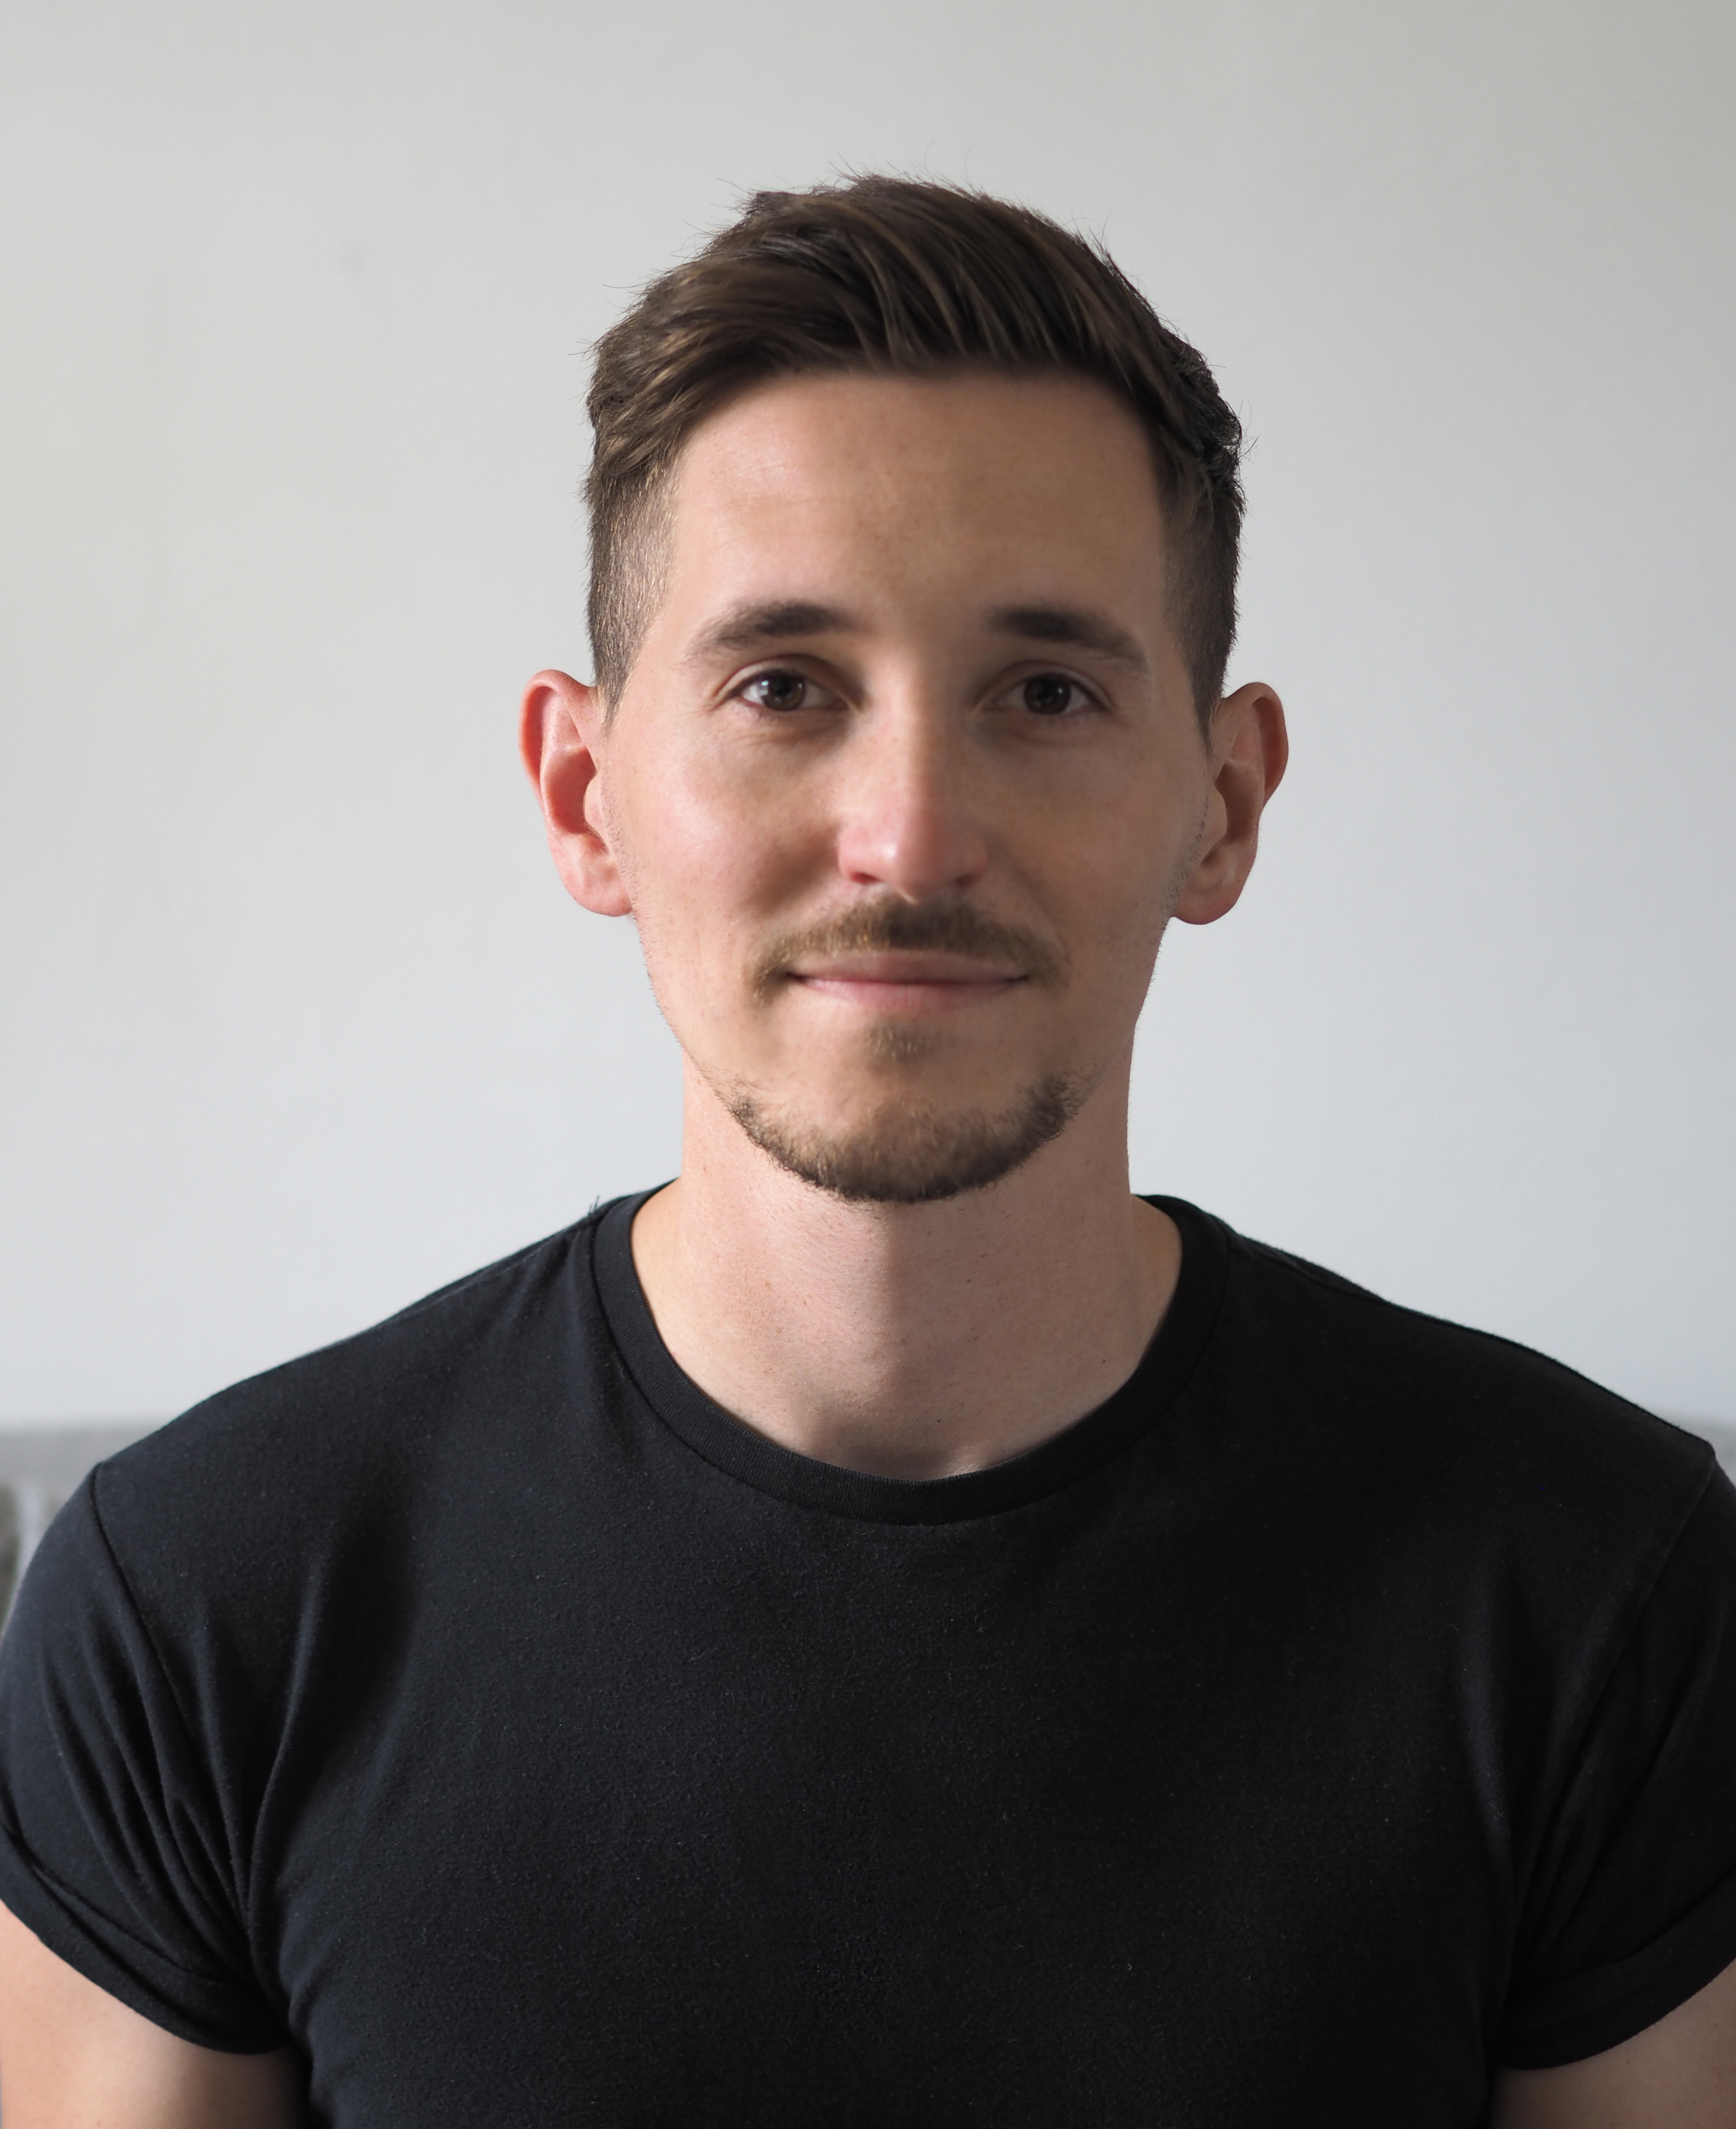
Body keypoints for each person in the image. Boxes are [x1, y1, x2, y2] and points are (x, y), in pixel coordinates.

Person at [1, 177, 1733, 2129]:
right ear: (585, 797)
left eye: (1048, 694)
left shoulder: (1602, 1592)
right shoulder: (207, 1605)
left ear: (1226, 806)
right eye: (783, 689)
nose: (910, 836)